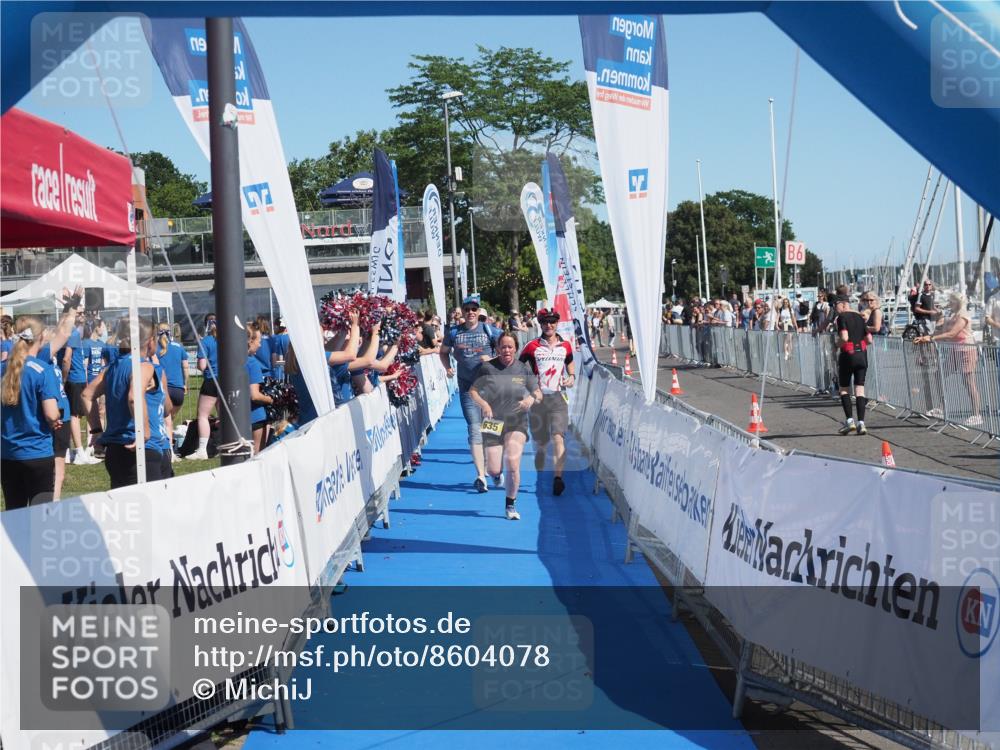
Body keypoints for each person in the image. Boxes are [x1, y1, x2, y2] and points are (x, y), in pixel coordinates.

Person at [82, 319, 170, 488]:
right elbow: (134, 397)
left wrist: (96, 430)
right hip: (141, 449)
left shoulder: (112, 368)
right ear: (150, 340)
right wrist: (143, 431)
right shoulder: (145, 366)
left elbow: (86, 395)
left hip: (115, 451)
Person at [467, 333, 543, 520]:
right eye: (503, 347)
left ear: (515, 348)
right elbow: (473, 392)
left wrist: (530, 399)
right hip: (493, 422)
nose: (507, 350)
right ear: (498, 348)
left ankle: (510, 505)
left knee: (513, 462)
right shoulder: (487, 368)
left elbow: (538, 393)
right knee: (493, 469)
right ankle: (496, 475)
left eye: (510, 347)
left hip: (517, 421)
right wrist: (484, 405)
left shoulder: (522, 369)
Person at [439, 295, 502, 493]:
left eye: (474, 309)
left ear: (479, 311)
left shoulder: (489, 330)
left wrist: (492, 359)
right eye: (467, 309)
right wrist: (448, 367)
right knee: (474, 429)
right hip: (468, 388)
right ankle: (481, 476)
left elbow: (508, 352)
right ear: (462, 312)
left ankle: (495, 469)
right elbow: (443, 351)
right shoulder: (454, 332)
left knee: (491, 432)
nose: (471, 313)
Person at [0, 316, 63, 508]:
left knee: (14, 514)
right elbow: (51, 413)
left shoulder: (3, 368)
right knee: (41, 516)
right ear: (41, 336)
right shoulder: (42, 370)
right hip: (37, 453)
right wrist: (56, 420)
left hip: (7, 453)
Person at [519, 308, 575, 496]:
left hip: (558, 398)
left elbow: (569, 362)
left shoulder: (565, 346)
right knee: (541, 440)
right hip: (538, 399)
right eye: (545, 322)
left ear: (557, 324)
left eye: (552, 322)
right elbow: (520, 367)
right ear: (540, 324)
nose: (549, 325)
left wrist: (572, 376)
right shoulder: (532, 346)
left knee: (558, 437)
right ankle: (541, 453)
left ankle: (558, 478)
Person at [914, 292, 981, 426]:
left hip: (967, 350)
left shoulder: (963, 316)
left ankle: (977, 414)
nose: (949, 303)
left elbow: (952, 334)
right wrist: (927, 336)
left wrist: (931, 338)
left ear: (957, 302)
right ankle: (941, 408)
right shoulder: (951, 316)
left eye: (951, 301)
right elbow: (942, 332)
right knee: (940, 374)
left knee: (968, 382)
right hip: (954, 350)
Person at [60, 311, 96, 465]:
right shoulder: (72, 332)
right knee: (74, 415)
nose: (82, 315)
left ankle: (68, 451)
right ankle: (79, 452)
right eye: (79, 313)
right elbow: (67, 358)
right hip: (74, 379)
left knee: (72, 414)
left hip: (76, 378)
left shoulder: (70, 332)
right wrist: (63, 378)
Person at [834, 295, 873, 435]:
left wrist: (836, 345)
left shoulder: (842, 317)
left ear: (844, 305)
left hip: (848, 355)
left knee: (844, 389)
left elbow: (844, 337)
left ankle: (850, 421)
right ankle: (861, 424)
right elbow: (869, 339)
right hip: (862, 355)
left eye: (836, 305)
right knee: (860, 389)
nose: (835, 309)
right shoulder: (859, 318)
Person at [187, 316, 219, 460]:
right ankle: (226, 443)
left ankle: (202, 449)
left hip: (211, 380)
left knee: (203, 415)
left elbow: (202, 365)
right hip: (227, 380)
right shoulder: (227, 338)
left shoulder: (205, 341)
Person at [156, 323, 189, 453]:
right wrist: (185, 384)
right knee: (170, 420)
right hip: (178, 390)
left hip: (164, 389)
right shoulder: (179, 347)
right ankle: (169, 445)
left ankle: (168, 450)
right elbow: (186, 368)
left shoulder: (155, 348)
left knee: (166, 421)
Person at [246, 325, 274, 453]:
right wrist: (271, 399)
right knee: (257, 456)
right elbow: (255, 396)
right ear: (250, 341)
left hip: (236, 418)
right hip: (255, 417)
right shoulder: (252, 363)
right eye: (259, 341)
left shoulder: (229, 362)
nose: (260, 345)